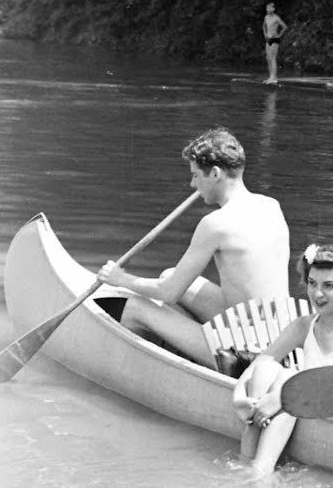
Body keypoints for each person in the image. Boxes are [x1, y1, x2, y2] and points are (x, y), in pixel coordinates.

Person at [97, 128, 290, 367]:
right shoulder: (271, 205)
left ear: (216, 174)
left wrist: (120, 279)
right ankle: (194, 348)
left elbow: (168, 293)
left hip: (250, 355)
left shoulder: (216, 224)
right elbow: (174, 284)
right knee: (171, 275)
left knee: (135, 307)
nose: (192, 184)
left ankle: (192, 365)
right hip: (285, 340)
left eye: (196, 175)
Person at [232, 241, 333, 475]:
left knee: (288, 376)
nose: (317, 294)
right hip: (308, 408)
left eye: (329, 285)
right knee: (266, 370)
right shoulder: (303, 325)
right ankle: (255, 465)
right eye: (312, 283)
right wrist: (239, 396)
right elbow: (261, 361)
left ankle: (257, 467)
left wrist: (281, 397)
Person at [262, 2, 287, 84]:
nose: (268, 9)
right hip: (268, 39)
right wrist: (265, 33)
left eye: (269, 8)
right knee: (268, 58)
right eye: (267, 8)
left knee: (273, 57)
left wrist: (279, 35)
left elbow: (284, 27)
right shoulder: (266, 17)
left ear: (273, 9)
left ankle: (274, 77)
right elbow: (264, 26)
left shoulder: (276, 18)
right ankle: (270, 76)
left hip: (275, 39)